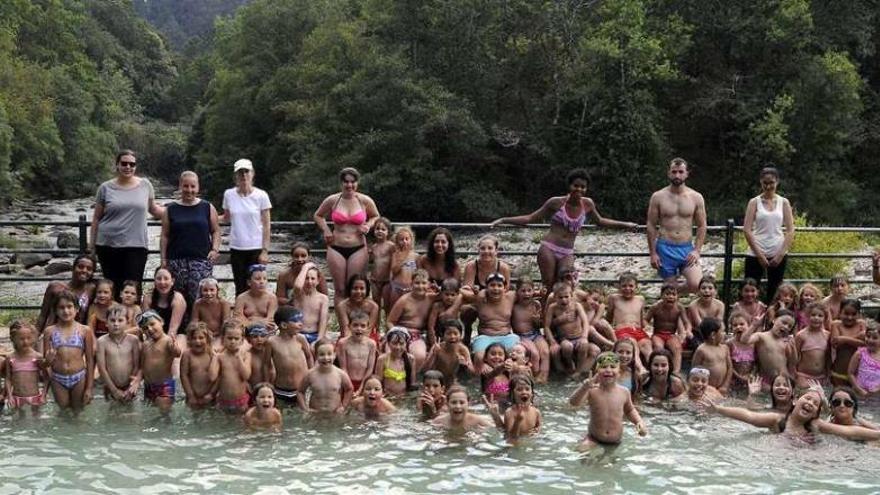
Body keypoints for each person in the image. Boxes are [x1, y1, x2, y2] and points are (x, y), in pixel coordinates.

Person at [491, 168, 636, 291]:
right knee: (549, 285)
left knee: (566, 283)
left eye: (582, 187)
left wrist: (626, 224)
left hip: (567, 252)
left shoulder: (588, 204)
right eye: (576, 185)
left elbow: (601, 221)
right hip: (549, 248)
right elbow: (530, 218)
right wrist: (504, 220)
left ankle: (561, 319)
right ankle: (544, 319)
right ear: (569, 185)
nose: (579, 189)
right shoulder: (555, 202)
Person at [89, 150, 164, 296]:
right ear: (117, 165)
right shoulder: (105, 188)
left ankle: (134, 319)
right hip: (107, 245)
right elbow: (96, 218)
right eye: (124, 163)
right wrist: (91, 246)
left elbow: (153, 209)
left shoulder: (145, 185)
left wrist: (177, 211)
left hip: (136, 246)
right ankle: (114, 318)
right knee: (113, 288)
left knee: (133, 289)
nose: (128, 167)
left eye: (132, 164)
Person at [313, 167, 381, 301]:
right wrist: (326, 230)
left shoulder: (365, 200)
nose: (349, 185)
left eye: (352, 182)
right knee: (340, 289)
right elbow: (318, 215)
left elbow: (376, 216)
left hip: (358, 247)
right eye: (346, 182)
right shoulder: (333, 200)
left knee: (353, 288)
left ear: (357, 183)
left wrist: (368, 225)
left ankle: (355, 321)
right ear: (341, 183)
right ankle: (342, 322)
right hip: (336, 247)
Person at [646, 157, 707, 293]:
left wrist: (697, 250)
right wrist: (652, 253)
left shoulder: (696, 197)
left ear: (686, 174)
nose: (677, 175)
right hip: (664, 248)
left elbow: (702, 225)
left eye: (680, 172)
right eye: (674, 172)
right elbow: (650, 224)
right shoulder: (658, 197)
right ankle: (669, 298)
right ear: (669, 173)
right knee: (670, 291)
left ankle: (669, 293)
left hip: (686, 248)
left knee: (696, 284)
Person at [160, 171, 221, 305]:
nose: (189, 190)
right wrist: (163, 259)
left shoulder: (207, 207)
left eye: (193, 186)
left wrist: (215, 249)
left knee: (200, 299)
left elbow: (216, 230)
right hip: (176, 261)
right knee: (177, 299)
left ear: (198, 187)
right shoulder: (170, 209)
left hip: (201, 261)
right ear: (180, 187)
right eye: (186, 186)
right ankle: (180, 326)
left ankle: (198, 326)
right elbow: (164, 235)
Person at [569, 352, 647, 450]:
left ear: (619, 372)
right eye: (604, 366)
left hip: (615, 440)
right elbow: (574, 403)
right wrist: (584, 387)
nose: (608, 370)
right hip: (593, 438)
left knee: (612, 463)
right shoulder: (592, 391)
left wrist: (639, 422)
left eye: (613, 367)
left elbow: (630, 410)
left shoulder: (624, 392)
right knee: (582, 450)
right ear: (596, 371)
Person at [742, 167, 795, 303]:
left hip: (777, 250)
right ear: (761, 182)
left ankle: (772, 320)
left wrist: (781, 254)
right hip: (756, 251)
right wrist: (759, 255)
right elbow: (747, 229)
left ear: (777, 182)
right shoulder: (754, 202)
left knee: (776, 291)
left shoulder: (784, 202)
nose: (768, 186)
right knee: (750, 288)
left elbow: (790, 230)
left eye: (771, 182)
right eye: (765, 183)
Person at [222, 158, 272, 296]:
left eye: (246, 172)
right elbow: (226, 218)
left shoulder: (261, 195)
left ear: (252, 173)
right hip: (237, 248)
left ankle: (256, 316)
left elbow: (267, 225)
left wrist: (265, 251)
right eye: (240, 172)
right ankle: (240, 316)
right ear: (235, 176)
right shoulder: (228, 194)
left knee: (257, 286)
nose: (244, 175)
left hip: (256, 248)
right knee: (240, 286)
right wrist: (206, 217)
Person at [700, 388, 824, 440]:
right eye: (807, 398)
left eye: (815, 403)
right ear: (795, 400)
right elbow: (749, 416)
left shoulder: (814, 427)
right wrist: (718, 409)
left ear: (815, 414)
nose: (810, 403)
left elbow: (840, 429)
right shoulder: (777, 420)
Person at [43, 290, 95, 410]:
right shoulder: (49, 331)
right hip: (57, 378)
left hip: (79, 376)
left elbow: (90, 360)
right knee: (63, 410)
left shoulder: (84, 330)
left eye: (69, 307)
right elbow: (45, 363)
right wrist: (47, 362)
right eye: (61, 307)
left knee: (78, 410)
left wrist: (89, 388)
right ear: (55, 310)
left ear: (77, 308)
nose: (66, 311)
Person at [544, 282, 600, 377]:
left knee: (586, 345)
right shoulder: (553, 308)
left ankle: (579, 370)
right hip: (564, 338)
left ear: (571, 296)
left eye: (566, 297)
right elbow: (547, 326)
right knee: (567, 346)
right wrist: (553, 341)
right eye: (560, 297)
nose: (564, 300)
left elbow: (585, 322)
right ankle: (570, 365)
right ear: (555, 298)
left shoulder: (576, 305)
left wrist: (584, 337)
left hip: (579, 336)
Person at [385, 269, 434, 371]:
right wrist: (396, 333)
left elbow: (449, 294)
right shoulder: (404, 300)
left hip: (416, 334)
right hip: (401, 331)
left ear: (428, 284)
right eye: (417, 283)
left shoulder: (431, 298)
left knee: (420, 355)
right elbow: (390, 321)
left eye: (424, 283)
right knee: (390, 354)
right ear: (411, 284)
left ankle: (411, 379)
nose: (420, 286)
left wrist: (439, 290)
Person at [36, 253, 97, 332]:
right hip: (54, 333)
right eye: (80, 267)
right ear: (73, 268)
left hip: (77, 335)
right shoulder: (55, 287)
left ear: (93, 272)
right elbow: (43, 316)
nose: (84, 270)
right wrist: (36, 336)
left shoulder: (91, 290)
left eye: (89, 269)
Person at [265, 307, 313, 406]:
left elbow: (309, 357)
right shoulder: (271, 342)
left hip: (301, 388)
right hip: (281, 389)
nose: (301, 324)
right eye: (296, 321)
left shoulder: (300, 339)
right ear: (284, 325)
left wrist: (312, 376)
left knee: (303, 414)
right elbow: (266, 364)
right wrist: (267, 384)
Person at [95, 304, 141, 403]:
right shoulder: (102, 342)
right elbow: (101, 368)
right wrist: (114, 390)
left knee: (130, 414)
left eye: (120, 320)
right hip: (110, 386)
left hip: (129, 386)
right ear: (106, 322)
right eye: (112, 320)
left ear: (127, 322)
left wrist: (130, 387)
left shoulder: (133, 340)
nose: (116, 324)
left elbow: (136, 366)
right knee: (112, 414)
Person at [139, 310, 181, 413]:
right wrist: (137, 380)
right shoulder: (145, 344)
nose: (150, 329)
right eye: (145, 328)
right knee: (149, 412)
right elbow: (142, 366)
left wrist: (174, 347)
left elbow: (177, 353)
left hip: (164, 386)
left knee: (163, 413)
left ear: (161, 322)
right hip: (148, 387)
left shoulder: (167, 341)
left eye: (152, 324)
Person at [298, 339, 353, 414]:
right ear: (316, 356)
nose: (326, 358)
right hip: (315, 413)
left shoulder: (340, 374)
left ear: (335, 355)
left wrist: (343, 406)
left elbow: (349, 389)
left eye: (329, 354)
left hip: (334, 413)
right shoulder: (310, 375)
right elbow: (300, 392)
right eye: (322, 354)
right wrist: (305, 409)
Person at [4, 320, 48, 414]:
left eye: (28, 338)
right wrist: (9, 396)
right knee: (18, 422)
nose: (25, 341)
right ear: (13, 338)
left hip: (35, 398)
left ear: (33, 337)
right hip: (16, 398)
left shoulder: (37, 357)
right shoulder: (10, 358)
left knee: (37, 421)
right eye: (21, 338)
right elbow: (8, 379)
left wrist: (43, 395)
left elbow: (47, 378)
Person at [644, 282, 690, 372]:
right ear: (661, 295)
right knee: (658, 347)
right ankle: (659, 370)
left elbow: (686, 322)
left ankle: (676, 372)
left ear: (677, 296)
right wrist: (647, 327)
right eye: (667, 294)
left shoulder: (679, 308)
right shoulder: (655, 307)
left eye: (673, 294)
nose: (671, 297)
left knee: (677, 348)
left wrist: (687, 331)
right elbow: (645, 320)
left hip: (671, 335)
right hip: (658, 334)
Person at [511, 277, 549, 382]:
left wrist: (537, 321)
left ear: (533, 291)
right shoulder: (514, 307)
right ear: (517, 292)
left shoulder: (536, 305)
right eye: (523, 291)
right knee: (534, 353)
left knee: (545, 352)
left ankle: (544, 377)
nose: (526, 294)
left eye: (529, 290)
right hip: (521, 336)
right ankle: (533, 378)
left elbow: (540, 325)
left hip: (535, 334)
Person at [607, 272, 651, 361]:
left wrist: (647, 327)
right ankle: (639, 368)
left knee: (647, 345)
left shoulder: (640, 299)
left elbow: (642, 319)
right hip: (622, 331)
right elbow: (609, 317)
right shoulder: (614, 298)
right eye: (624, 286)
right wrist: (609, 332)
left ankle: (652, 368)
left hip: (638, 330)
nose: (627, 289)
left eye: (631, 286)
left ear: (636, 287)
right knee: (632, 342)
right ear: (619, 287)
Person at [748, 309, 796, 388]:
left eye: (790, 326)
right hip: (766, 381)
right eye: (784, 323)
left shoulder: (785, 341)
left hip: (784, 380)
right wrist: (754, 325)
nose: (786, 327)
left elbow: (793, 362)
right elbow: (745, 341)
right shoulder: (761, 336)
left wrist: (793, 347)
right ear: (774, 320)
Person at [484, 375, 542, 440]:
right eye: (519, 389)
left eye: (527, 389)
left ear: (532, 393)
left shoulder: (536, 412)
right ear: (512, 394)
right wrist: (517, 421)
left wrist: (537, 432)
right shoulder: (510, 412)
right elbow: (510, 437)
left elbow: (539, 427)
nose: (524, 392)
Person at [336, 310, 378, 393]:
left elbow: (370, 369)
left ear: (368, 327)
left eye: (363, 326)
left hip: (365, 382)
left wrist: (361, 388)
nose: (359, 329)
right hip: (347, 380)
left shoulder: (371, 344)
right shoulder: (343, 343)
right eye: (355, 325)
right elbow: (343, 367)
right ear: (349, 326)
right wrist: (349, 386)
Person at [424, 319, 474, 388]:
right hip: (436, 381)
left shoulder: (462, 350)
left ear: (461, 335)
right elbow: (425, 369)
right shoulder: (437, 348)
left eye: (455, 333)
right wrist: (433, 355)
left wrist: (466, 364)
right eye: (448, 334)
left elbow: (473, 373)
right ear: (443, 336)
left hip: (452, 381)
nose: (452, 337)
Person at [180, 322, 218, 408]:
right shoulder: (187, 355)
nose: (198, 341)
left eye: (201, 338)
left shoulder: (212, 354)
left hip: (210, 397)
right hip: (192, 397)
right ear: (189, 340)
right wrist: (190, 395)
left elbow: (218, 377)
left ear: (207, 339)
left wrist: (212, 394)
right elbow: (183, 376)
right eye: (194, 338)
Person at [216, 321, 251, 414]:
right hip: (223, 401)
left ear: (242, 340)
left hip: (241, 401)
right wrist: (215, 356)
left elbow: (246, 376)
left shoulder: (246, 355)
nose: (233, 341)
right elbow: (212, 376)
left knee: (241, 425)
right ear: (223, 339)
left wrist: (239, 357)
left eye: (236, 338)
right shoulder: (220, 357)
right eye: (229, 338)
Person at [793, 303, 830, 388]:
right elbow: (794, 357)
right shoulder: (801, 335)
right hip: (803, 376)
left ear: (825, 318)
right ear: (807, 316)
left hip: (821, 376)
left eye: (820, 316)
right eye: (813, 315)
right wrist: (794, 375)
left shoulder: (827, 335)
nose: (816, 318)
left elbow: (828, 357)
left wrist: (828, 374)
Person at [830, 299, 866, 385]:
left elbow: (865, 344)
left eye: (854, 314)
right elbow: (835, 344)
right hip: (840, 370)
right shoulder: (836, 324)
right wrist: (857, 337)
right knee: (839, 396)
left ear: (859, 314)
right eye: (846, 313)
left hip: (858, 373)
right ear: (840, 313)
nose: (850, 317)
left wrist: (844, 339)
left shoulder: (861, 323)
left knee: (857, 397)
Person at [233, 264, 278, 333]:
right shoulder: (241, 298)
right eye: (257, 279)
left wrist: (252, 320)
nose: (262, 282)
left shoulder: (271, 298)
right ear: (249, 282)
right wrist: (259, 322)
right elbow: (238, 319)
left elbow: (271, 321)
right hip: (246, 331)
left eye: (265, 279)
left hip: (265, 331)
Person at [692, 318, 732, 394]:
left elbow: (730, 368)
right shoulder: (702, 350)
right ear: (713, 335)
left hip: (722, 388)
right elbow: (694, 371)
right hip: (706, 389)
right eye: (723, 331)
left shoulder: (725, 348)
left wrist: (725, 385)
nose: (725, 333)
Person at [335, 274, 380, 341]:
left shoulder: (373, 307)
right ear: (349, 289)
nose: (358, 292)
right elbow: (345, 329)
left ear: (367, 290)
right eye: (355, 288)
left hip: (368, 337)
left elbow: (369, 329)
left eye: (362, 288)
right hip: (348, 337)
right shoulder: (342, 306)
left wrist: (362, 344)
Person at [375, 327, 416, 396]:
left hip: (404, 397)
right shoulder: (382, 359)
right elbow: (378, 383)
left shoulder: (410, 359)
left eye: (401, 343)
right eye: (394, 343)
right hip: (387, 396)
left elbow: (412, 383)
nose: (398, 347)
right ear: (388, 343)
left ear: (406, 344)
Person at [190, 278, 231, 346]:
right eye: (205, 290)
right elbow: (194, 322)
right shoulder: (198, 304)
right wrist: (203, 333)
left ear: (217, 290)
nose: (209, 293)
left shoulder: (223, 303)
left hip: (220, 335)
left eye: (212, 290)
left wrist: (218, 334)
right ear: (201, 291)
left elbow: (226, 323)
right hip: (203, 335)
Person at [848, 322, 880, 397]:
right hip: (859, 393)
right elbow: (850, 373)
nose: (870, 340)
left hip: (877, 395)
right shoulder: (860, 353)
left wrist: (878, 388)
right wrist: (858, 389)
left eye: (875, 338)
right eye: (868, 336)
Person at [727, 311, 755, 388]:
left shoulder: (754, 344)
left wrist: (751, 375)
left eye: (742, 324)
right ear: (731, 328)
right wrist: (739, 377)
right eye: (735, 325)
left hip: (749, 379)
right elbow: (728, 364)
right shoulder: (730, 344)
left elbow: (757, 363)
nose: (738, 327)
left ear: (749, 325)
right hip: (733, 379)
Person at [245, 323, 270, 388]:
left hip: (271, 391)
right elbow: (243, 377)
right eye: (255, 336)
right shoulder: (247, 355)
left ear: (267, 337)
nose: (259, 339)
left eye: (262, 336)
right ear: (248, 339)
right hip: (253, 391)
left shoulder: (271, 353)